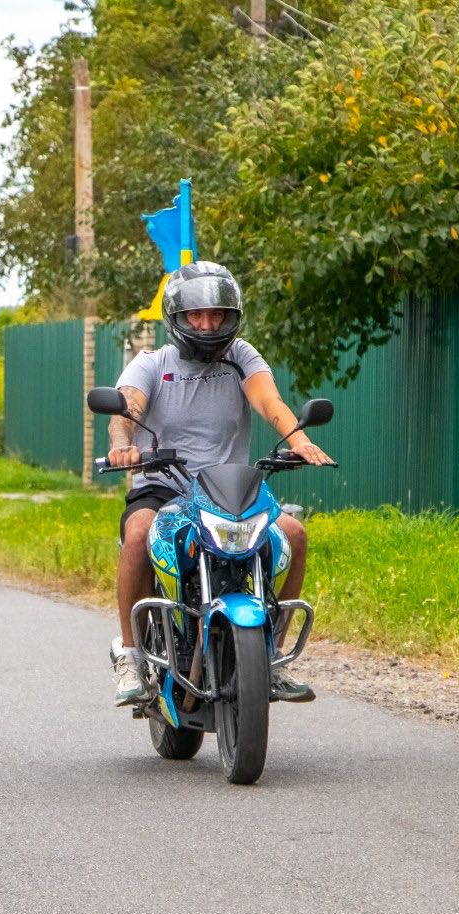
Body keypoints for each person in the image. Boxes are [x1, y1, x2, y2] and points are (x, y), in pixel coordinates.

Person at [102, 261, 333, 707]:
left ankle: (272, 657)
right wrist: (123, 446)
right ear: (176, 317)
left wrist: (298, 439)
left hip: (229, 489)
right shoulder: (152, 363)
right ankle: (131, 655)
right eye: (196, 315)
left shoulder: (241, 356)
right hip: (165, 485)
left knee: (294, 533)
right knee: (136, 535)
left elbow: (270, 401)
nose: (207, 325)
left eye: (216, 315)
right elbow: (126, 411)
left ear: (232, 317)